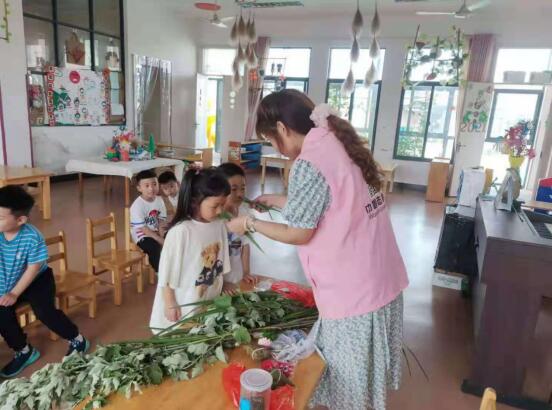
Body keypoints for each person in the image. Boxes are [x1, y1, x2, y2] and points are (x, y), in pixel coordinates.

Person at [226, 89, 409, 410]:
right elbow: (333, 203)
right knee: (358, 380)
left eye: (270, 140)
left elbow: (299, 233)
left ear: (282, 128)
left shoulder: (309, 162)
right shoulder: (336, 142)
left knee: (348, 386)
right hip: (381, 279)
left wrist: (250, 224)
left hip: (355, 291)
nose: (275, 148)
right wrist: (278, 201)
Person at [0, 186, 89, 378]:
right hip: (8, 278)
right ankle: (24, 351)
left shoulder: (32, 237)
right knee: (2, 312)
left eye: (0, 217)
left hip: (37, 280)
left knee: (44, 311)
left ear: (21, 220)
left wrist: (14, 293)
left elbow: (32, 269)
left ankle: (77, 339)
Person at [149, 168, 234, 332]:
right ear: (195, 202)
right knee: (181, 335)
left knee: (202, 330)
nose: (220, 211)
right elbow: (166, 271)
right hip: (183, 301)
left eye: (223, 205)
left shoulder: (219, 224)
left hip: (207, 298)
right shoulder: (181, 231)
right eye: (215, 206)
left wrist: (224, 282)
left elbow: (220, 260)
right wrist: (170, 303)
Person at [217, 163, 257, 293]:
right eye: (233, 189)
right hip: (217, 282)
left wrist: (246, 272)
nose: (240, 194)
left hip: (236, 276)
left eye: (243, 188)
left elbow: (245, 245)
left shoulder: (244, 212)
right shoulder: (215, 218)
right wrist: (221, 283)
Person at [130, 170, 167, 273]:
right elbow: (144, 229)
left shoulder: (159, 200)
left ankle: (172, 268)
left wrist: (163, 236)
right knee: (154, 247)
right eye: (146, 186)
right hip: (142, 235)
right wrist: (160, 240)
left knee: (174, 237)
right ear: (139, 188)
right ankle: (160, 272)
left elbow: (161, 221)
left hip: (155, 231)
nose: (151, 188)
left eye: (154, 184)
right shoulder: (137, 206)